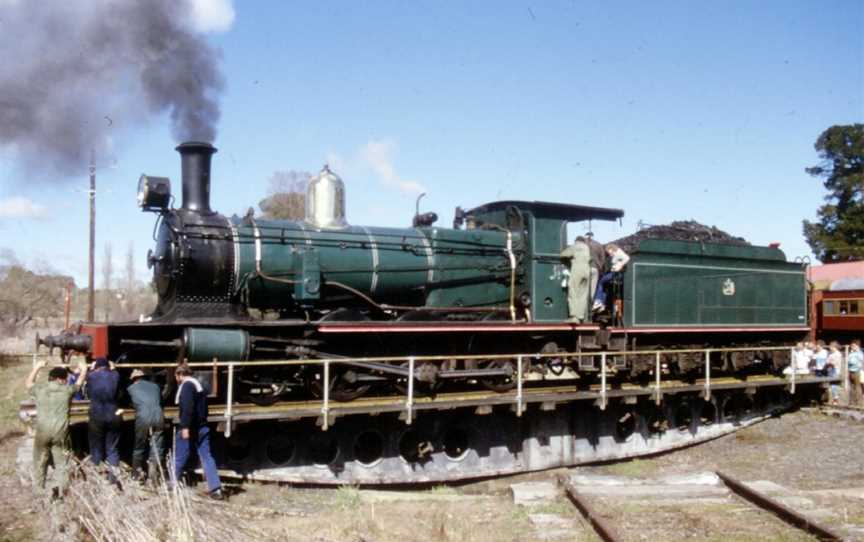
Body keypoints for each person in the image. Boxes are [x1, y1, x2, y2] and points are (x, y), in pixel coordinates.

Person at [25, 359, 88, 498]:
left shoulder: (40, 389)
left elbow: (28, 383)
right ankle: (61, 494)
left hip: (42, 432)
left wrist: (37, 367)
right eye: (65, 379)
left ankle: (39, 493)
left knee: (40, 462)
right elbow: (79, 383)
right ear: (60, 379)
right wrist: (83, 369)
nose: (66, 381)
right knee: (62, 464)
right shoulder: (67, 390)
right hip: (60, 433)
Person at [173, 364, 223, 499]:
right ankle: (216, 488)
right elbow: (205, 409)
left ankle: (172, 483)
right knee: (207, 456)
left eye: (176, 376)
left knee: (180, 455)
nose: (176, 379)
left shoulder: (187, 386)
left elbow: (188, 408)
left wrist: (185, 427)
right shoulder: (199, 386)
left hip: (191, 427)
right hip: (202, 426)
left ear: (180, 375)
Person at [86, 357, 121, 482]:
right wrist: (113, 368)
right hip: (113, 414)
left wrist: (91, 369)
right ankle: (114, 479)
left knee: (96, 447)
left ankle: (96, 479)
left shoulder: (91, 376)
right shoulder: (115, 375)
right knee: (112, 448)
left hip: (97, 414)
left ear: (96, 367)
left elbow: (88, 392)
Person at [127, 369, 165, 482]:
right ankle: (154, 477)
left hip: (143, 417)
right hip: (159, 416)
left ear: (133, 379)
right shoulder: (156, 387)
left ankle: (136, 476)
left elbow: (129, 403)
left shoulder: (131, 389)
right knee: (157, 447)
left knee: (139, 446)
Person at [560, 236, 591, 322]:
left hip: (578, 269)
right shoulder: (586, 247)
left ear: (576, 240)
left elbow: (564, 254)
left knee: (573, 291)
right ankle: (580, 316)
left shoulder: (576, 245)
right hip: (587, 271)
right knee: (582, 294)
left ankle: (574, 316)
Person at [593, 243, 630, 312]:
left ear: (612, 249)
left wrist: (620, 265)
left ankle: (598, 301)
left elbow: (627, 258)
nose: (609, 254)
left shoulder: (619, 253)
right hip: (615, 273)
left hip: (616, 274)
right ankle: (602, 304)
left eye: (609, 252)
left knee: (601, 282)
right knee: (605, 285)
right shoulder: (616, 254)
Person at [585, 233, 606, 299]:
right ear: (593, 236)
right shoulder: (599, 245)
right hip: (595, 268)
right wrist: (600, 268)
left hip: (584, 268)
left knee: (584, 287)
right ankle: (591, 303)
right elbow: (603, 259)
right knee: (593, 288)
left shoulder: (582, 244)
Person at [847, 340, 863, 406]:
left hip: (857, 371)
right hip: (850, 371)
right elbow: (848, 361)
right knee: (851, 387)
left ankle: (858, 403)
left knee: (857, 387)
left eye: (853, 346)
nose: (852, 347)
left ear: (857, 346)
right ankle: (851, 402)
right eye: (851, 346)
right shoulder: (851, 353)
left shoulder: (860, 353)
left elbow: (861, 362)